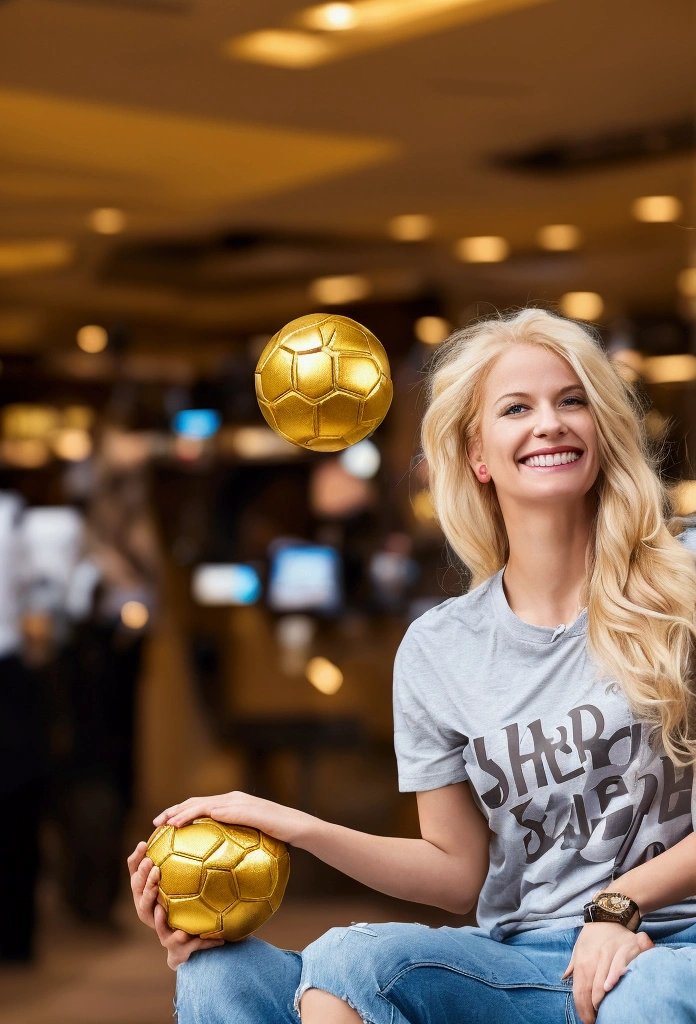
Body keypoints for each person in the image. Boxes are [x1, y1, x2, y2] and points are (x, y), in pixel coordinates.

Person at [128, 308, 696, 1024]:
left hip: (673, 946)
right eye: (517, 408)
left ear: (602, 428)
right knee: (231, 973)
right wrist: (294, 826)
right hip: (519, 963)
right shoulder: (439, 647)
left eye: (571, 400)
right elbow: (457, 874)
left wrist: (619, 907)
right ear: (478, 455)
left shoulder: (685, 585)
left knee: (644, 998)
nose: (549, 422)